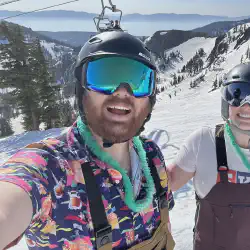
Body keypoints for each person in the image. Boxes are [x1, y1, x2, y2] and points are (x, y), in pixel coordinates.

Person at [0, 31, 175, 250]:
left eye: (137, 81)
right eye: (104, 77)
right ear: (81, 92)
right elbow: (11, 196)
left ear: (149, 100)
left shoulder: (151, 156)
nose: (122, 92)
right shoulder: (52, 170)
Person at [167, 62, 250, 250]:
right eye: (237, 94)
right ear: (225, 101)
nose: (246, 107)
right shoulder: (204, 142)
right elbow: (166, 183)